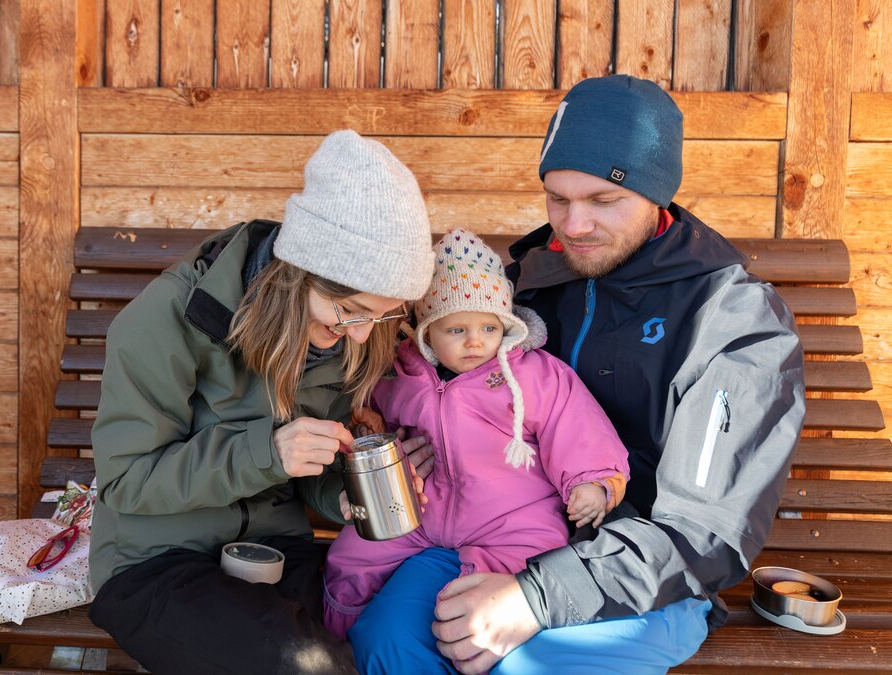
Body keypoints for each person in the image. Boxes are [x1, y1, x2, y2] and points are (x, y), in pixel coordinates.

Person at [423, 74, 806, 674]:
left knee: (519, 666)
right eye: (557, 198)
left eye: (603, 201)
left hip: (643, 588)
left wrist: (539, 594)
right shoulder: (523, 287)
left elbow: (705, 533)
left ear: (658, 196)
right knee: (395, 637)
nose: (573, 225)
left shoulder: (731, 321)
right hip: (492, 544)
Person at [84, 129, 437, 675]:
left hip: (275, 552)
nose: (363, 335)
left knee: (372, 654)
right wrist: (266, 453)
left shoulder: (344, 334)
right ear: (296, 276)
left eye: (380, 316)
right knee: (306, 667)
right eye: (351, 311)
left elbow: (307, 474)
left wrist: (347, 499)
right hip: (155, 564)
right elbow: (128, 482)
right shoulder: (166, 321)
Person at [321, 228, 631, 673]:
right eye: (456, 329)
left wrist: (594, 482)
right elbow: (375, 417)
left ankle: (483, 645)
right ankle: (339, 642)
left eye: (489, 327)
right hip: (418, 513)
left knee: (531, 562)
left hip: (511, 519)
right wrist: (369, 427)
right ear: (426, 333)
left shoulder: (534, 375)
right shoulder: (402, 372)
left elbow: (578, 427)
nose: (475, 341)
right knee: (352, 554)